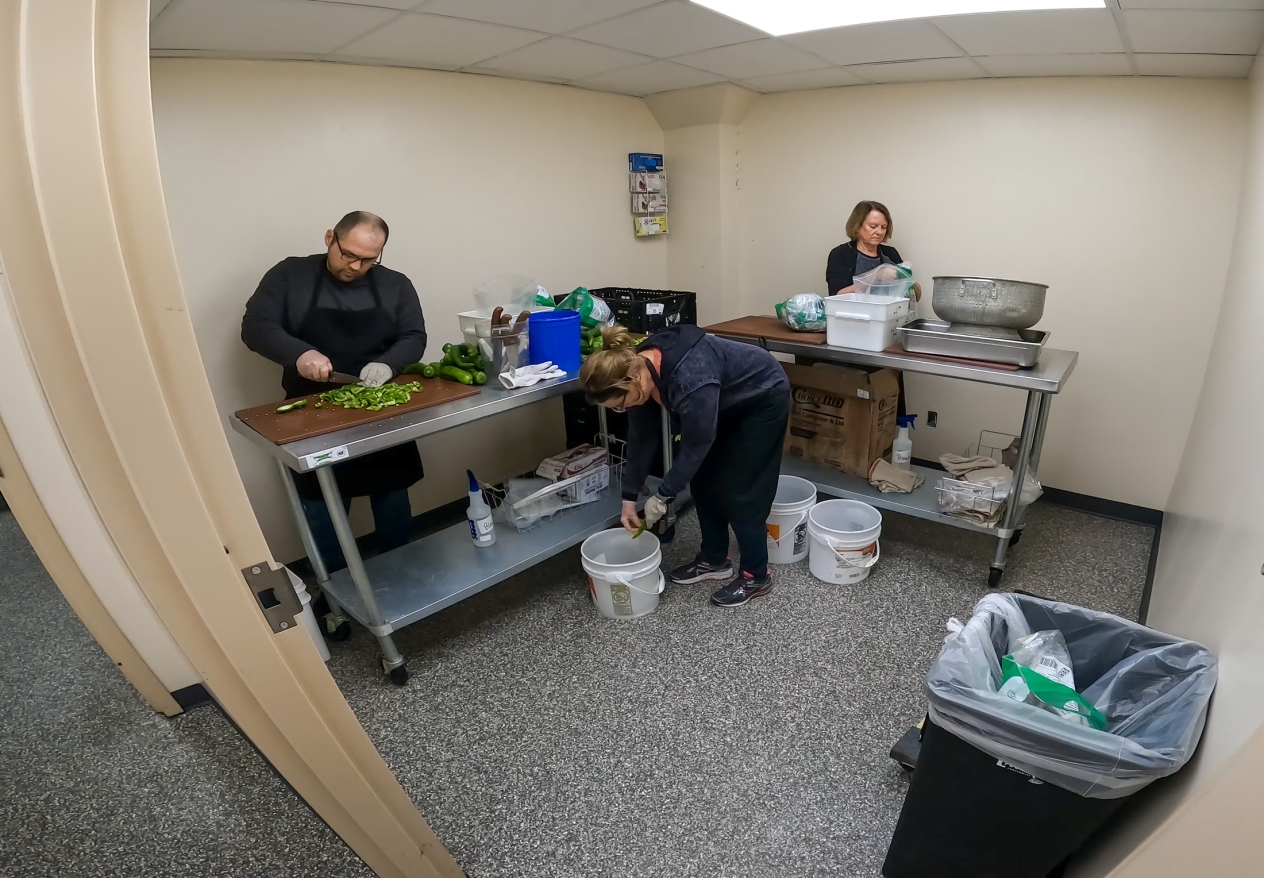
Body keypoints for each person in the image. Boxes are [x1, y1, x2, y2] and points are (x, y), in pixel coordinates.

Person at [241, 211, 427, 570]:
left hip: (379, 410)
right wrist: (299, 353)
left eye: (369, 259)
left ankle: (400, 577)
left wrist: (390, 363)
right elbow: (256, 326)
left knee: (392, 502)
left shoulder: (395, 285)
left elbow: (413, 336)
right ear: (330, 238)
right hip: (312, 414)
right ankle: (336, 598)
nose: (357, 266)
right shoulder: (290, 276)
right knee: (322, 510)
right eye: (349, 255)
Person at [580, 325, 791, 608]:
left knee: (742, 491)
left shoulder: (689, 378)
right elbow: (642, 439)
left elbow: (696, 444)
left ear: (632, 381)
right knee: (703, 481)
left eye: (619, 404)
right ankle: (714, 560)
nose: (620, 409)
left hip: (761, 398)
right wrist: (629, 498)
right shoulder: (638, 370)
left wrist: (664, 494)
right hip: (722, 402)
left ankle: (756, 575)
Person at [825, 200, 922, 301]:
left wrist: (907, 278)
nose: (879, 232)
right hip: (853, 314)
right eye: (873, 226)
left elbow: (916, 298)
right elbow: (836, 295)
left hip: (888, 314)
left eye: (883, 227)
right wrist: (875, 276)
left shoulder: (890, 253)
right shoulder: (841, 254)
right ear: (857, 226)